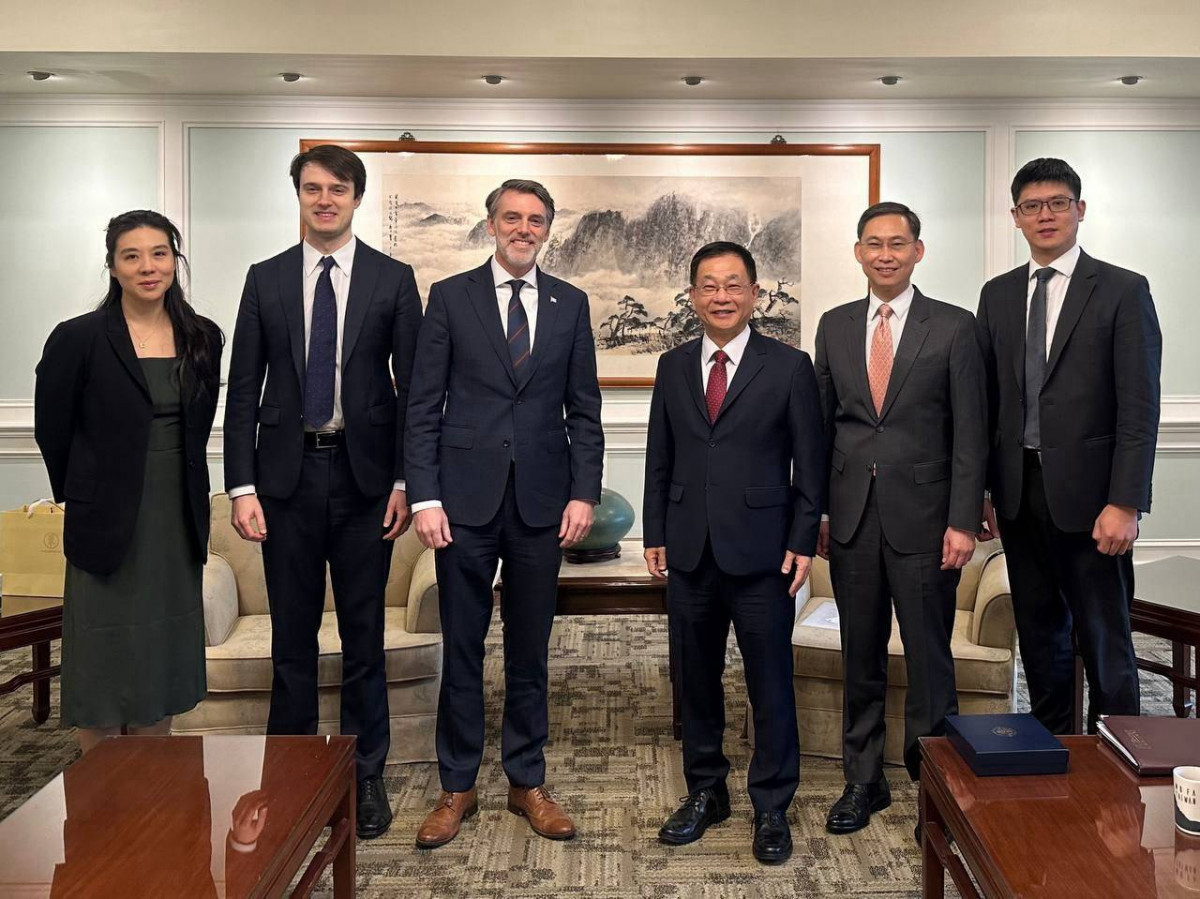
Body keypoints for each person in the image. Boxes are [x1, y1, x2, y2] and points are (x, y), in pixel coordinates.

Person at [222, 144, 423, 839]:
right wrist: (241, 485)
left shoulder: (394, 279)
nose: (325, 200)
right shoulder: (266, 278)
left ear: (357, 197)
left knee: (364, 636)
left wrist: (405, 480)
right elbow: (243, 388)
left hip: (367, 483)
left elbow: (414, 391)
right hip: (285, 481)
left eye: (338, 189)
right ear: (300, 196)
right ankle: (292, 770)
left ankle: (365, 774)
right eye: (313, 188)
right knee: (293, 635)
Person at [406, 179, 604, 849]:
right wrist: (426, 496)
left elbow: (584, 409)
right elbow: (423, 405)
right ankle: (457, 785)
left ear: (547, 229)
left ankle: (527, 780)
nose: (524, 228)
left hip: (542, 503)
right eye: (512, 217)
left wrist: (584, 493)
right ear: (490, 224)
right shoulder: (450, 297)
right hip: (461, 503)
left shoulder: (571, 302)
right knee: (462, 646)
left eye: (536, 220)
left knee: (529, 649)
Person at [643, 241, 824, 865]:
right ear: (693, 295)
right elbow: (660, 456)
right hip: (690, 550)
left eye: (733, 285)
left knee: (769, 682)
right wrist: (655, 532)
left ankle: (771, 805)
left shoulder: (790, 366)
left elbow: (810, 465)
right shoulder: (672, 365)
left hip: (763, 553)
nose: (721, 296)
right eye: (709, 286)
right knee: (694, 679)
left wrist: (802, 540)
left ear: (754, 294)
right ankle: (706, 791)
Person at [814, 202, 986, 838]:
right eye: (873, 243)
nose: (885, 254)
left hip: (927, 521)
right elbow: (821, 427)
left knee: (928, 661)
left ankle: (933, 785)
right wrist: (820, 511)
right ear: (858, 252)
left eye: (897, 243)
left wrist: (963, 520)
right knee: (859, 654)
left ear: (918, 251)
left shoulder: (955, 327)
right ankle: (863, 780)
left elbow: (972, 433)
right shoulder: (833, 325)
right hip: (852, 519)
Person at [977, 158, 1161, 734]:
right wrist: (985, 490)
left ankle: (1119, 758)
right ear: (1016, 217)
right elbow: (989, 403)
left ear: (1079, 210)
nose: (1046, 215)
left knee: (1105, 639)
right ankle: (1053, 744)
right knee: (1039, 634)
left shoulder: (1123, 290)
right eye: (1032, 206)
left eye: (1058, 203)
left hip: (1095, 502)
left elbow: (1139, 407)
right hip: (1018, 494)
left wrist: (1125, 502)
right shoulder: (998, 295)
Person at [34, 209, 223, 754]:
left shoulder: (203, 336)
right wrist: (88, 491)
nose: (147, 267)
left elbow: (198, 426)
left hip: (176, 517)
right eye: (132, 256)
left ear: (174, 261)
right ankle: (103, 789)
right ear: (113, 266)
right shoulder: (79, 338)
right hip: (106, 519)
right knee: (103, 657)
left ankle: (152, 783)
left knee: (161, 656)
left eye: (159, 254)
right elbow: (52, 429)